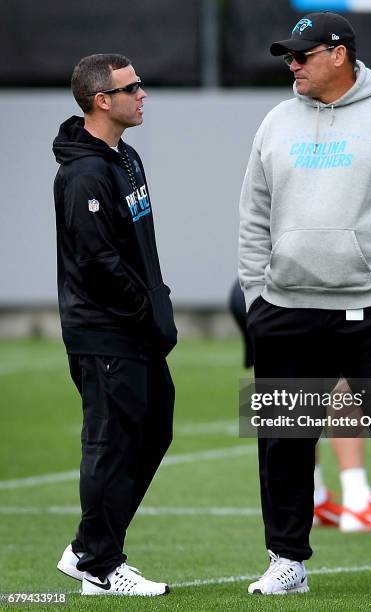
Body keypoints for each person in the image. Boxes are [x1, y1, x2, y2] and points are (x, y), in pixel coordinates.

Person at [239, 12, 371, 596]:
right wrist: (257, 292)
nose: (293, 65)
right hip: (286, 307)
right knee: (283, 440)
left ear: (340, 55)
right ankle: (287, 561)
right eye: (289, 56)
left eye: (303, 55)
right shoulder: (276, 120)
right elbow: (254, 213)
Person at [53, 53, 177, 596]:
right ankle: (99, 563)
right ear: (102, 100)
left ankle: (90, 549)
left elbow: (140, 252)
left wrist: (159, 305)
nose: (142, 94)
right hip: (106, 333)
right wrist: (145, 313)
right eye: (132, 88)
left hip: (138, 331)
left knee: (154, 430)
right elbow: (98, 265)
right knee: (111, 444)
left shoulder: (126, 158)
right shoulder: (83, 174)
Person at [229, 279, 371, 531]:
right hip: (296, 295)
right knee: (342, 383)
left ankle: (315, 499)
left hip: (256, 291)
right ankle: (358, 499)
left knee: (297, 389)